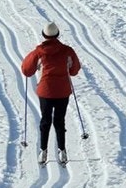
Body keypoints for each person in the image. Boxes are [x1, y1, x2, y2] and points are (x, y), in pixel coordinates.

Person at [21, 21, 82, 165]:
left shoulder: (39, 52)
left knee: (45, 120)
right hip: (63, 91)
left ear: (43, 35)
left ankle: (43, 151)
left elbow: (26, 70)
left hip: (45, 92)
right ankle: (62, 151)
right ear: (57, 34)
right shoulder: (67, 50)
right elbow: (74, 70)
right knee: (59, 121)